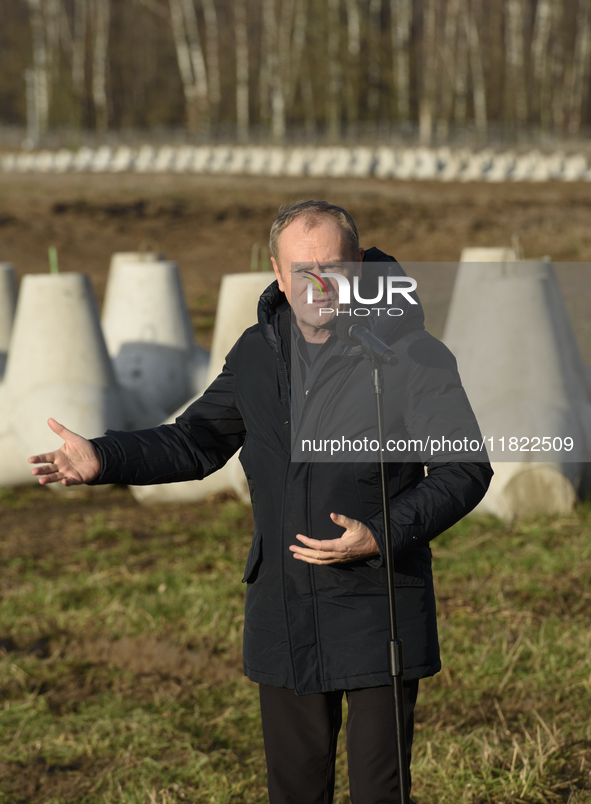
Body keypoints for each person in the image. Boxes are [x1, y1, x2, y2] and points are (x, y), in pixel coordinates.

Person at [29, 200, 493, 804]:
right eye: (303, 269)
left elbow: (466, 467)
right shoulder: (257, 353)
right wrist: (104, 457)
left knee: (381, 793)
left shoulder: (411, 354)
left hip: (378, 609)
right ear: (277, 273)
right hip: (285, 610)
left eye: (334, 266)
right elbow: (197, 441)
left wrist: (380, 533)